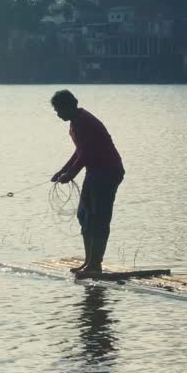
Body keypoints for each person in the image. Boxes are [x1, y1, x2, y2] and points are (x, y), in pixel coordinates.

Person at [49, 90, 124, 278]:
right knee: (84, 215)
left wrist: (71, 174)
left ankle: (95, 264)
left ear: (69, 106)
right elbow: (79, 151)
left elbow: (87, 153)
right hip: (94, 172)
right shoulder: (75, 122)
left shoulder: (84, 121)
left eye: (59, 110)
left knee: (99, 218)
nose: (58, 114)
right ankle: (88, 261)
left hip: (108, 172)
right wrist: (62, 170)